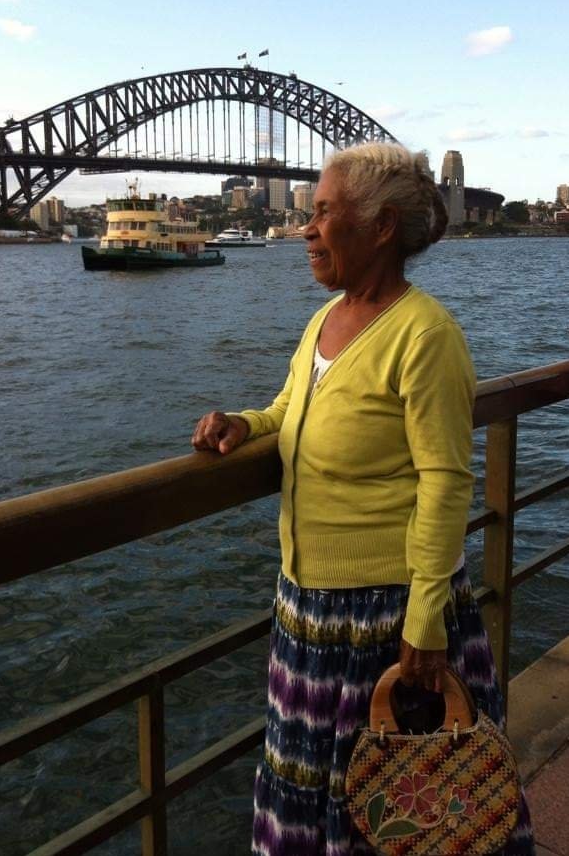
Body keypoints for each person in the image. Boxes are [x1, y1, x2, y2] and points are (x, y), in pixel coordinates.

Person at [192, 143, 534, 856]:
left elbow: (445, 480)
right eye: (310, 213)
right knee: (318, 796)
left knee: (401, 804)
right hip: (308, 610)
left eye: (323, 213)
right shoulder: (326, 320)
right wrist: (245, 424)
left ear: (380, 227)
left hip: (387, 618)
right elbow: (292, 405)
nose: (307, 229)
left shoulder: (426, 335)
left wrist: (425, 618)